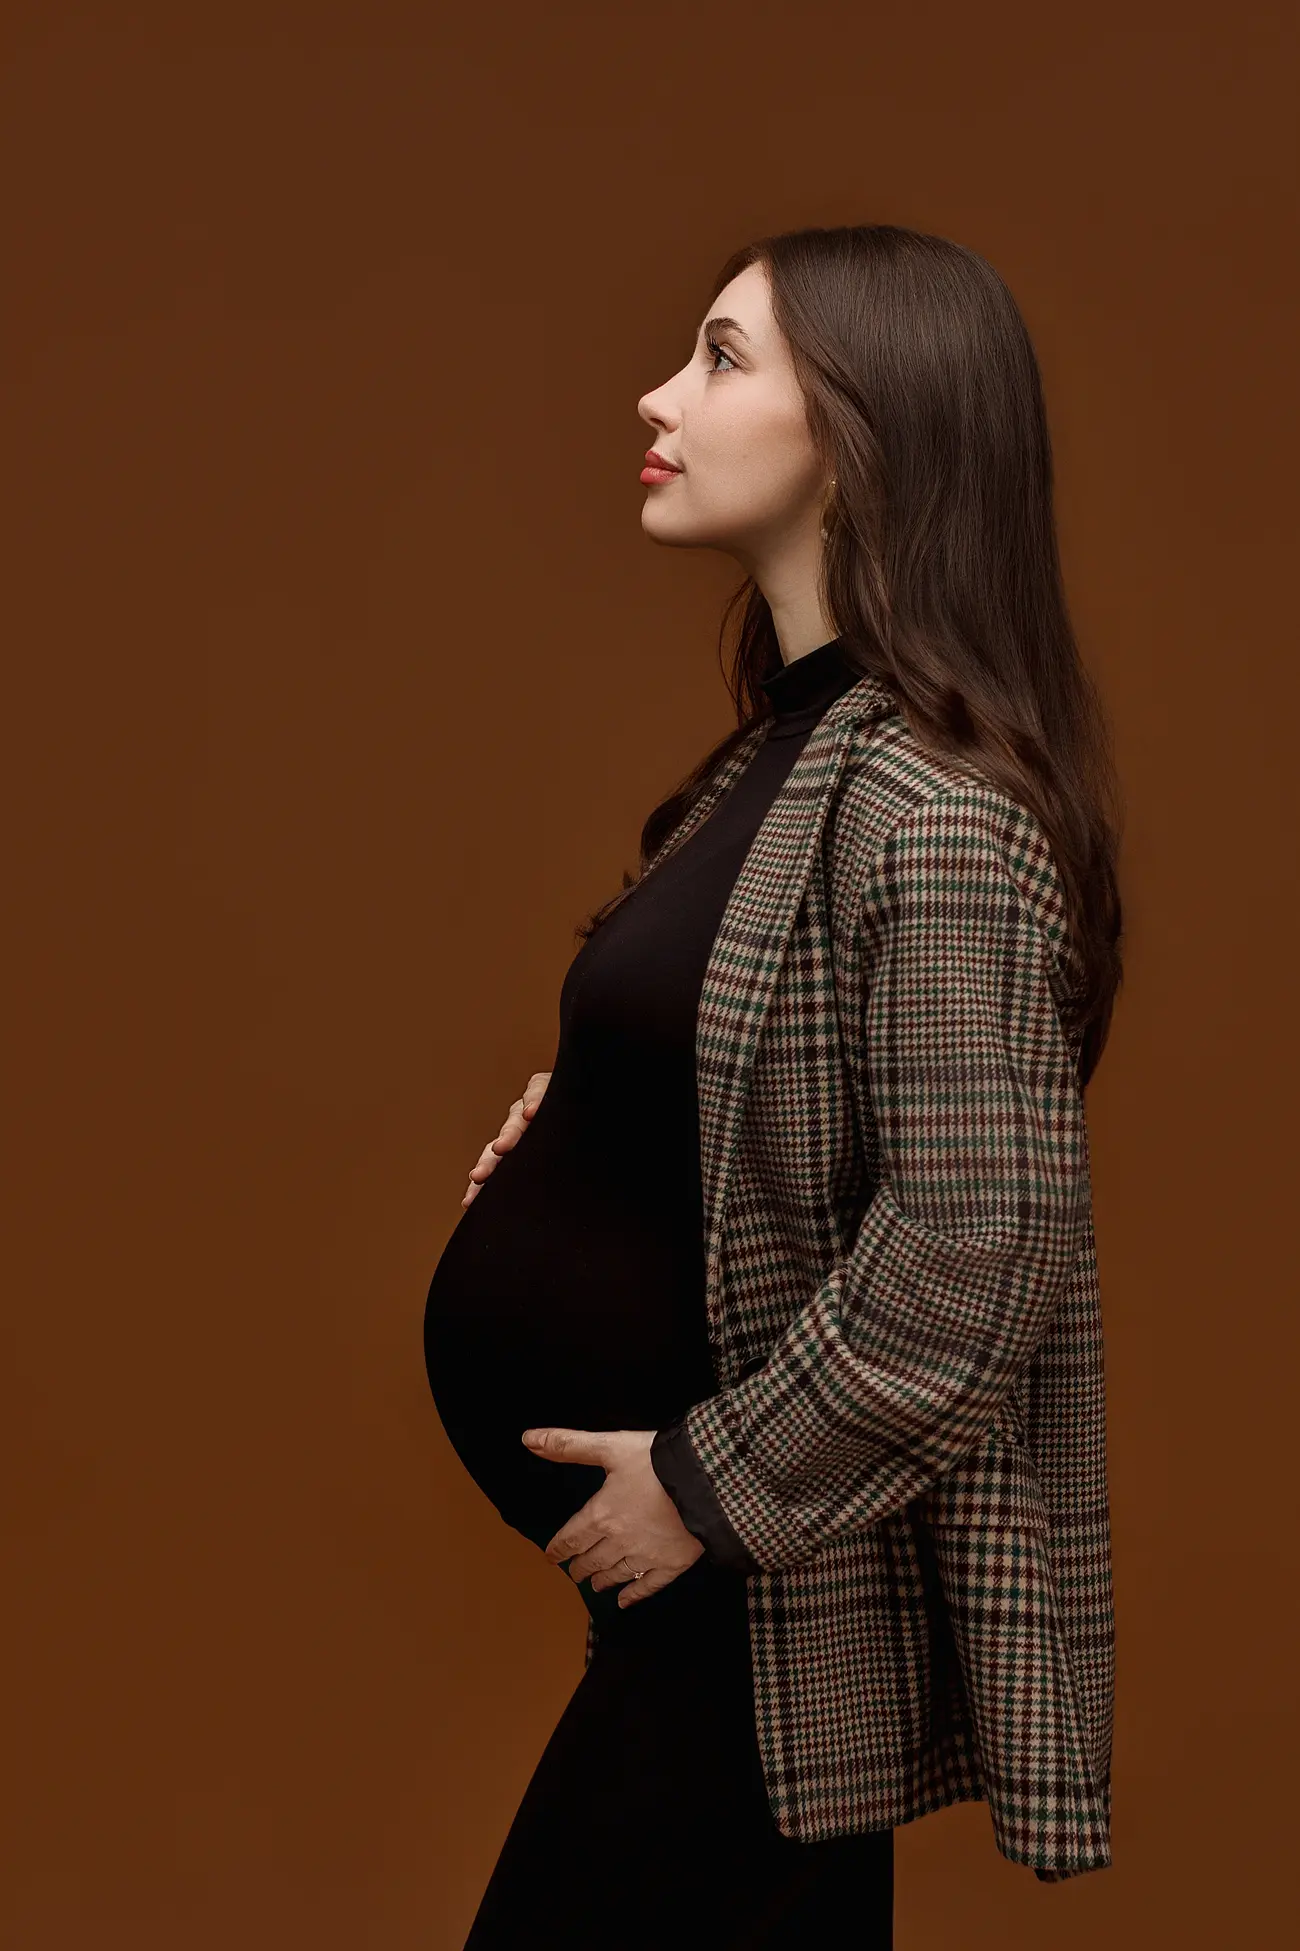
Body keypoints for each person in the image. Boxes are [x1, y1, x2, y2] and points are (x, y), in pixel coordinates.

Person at [424, 223, 1123, 1946]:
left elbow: (977, 1249)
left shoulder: (938, 804)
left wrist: (710, 1483)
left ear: (866, 431)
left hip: (751, 1628)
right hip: (702, 1649)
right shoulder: (796, 746)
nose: (661, 393)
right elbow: (767, 1072)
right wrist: (594, 1120)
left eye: (724, 359)